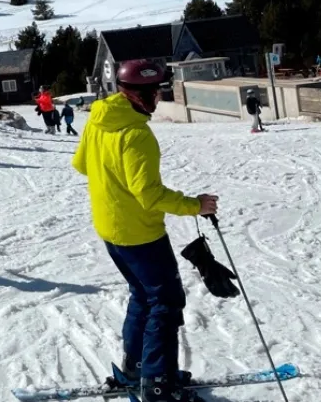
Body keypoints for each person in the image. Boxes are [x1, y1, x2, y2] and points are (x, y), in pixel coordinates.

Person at [71, 59, 218, 402]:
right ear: (139, 95)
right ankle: (157, 385)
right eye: (156, 92)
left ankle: (137, 367)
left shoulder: (99, 119)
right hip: (140, 235)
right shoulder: (136, 134)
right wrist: (195, 205)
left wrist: (112, 184)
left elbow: (81, 164)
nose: (158, 98)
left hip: (110, 229)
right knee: (165, 303)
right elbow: (149, 194)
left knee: (143, 296)